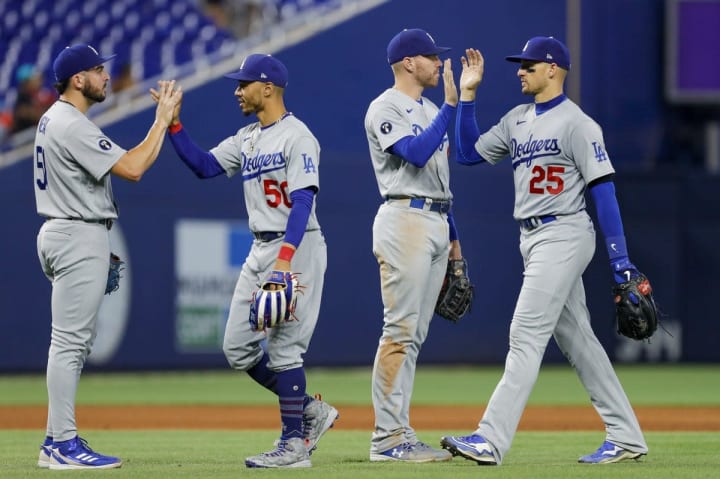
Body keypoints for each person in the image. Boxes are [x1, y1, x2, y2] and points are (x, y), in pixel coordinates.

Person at [439, 37, 649, 465]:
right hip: (532, 239)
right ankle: (626, 436)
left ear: (553, 69)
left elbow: (604, 192)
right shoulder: (517, 119)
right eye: (521, 65)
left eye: (529, 65)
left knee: (525, 333)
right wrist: (469, 95)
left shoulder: (578, 124)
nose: (520, 70)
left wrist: (621, 262)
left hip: (564, 232)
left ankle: (490, 438)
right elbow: (467, 153)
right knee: (579, 341)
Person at [154, 53, 338, 469]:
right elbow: (204, 166)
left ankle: (294, 445)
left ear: (267, 88)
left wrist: (285, 260)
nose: (237, 91)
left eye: (244, 84)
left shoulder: (298, 136)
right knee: (236, 347)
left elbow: (303, 201)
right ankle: (310, 410)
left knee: (285, 348)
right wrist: (174, 125)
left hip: (296, 246)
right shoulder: (248, 138)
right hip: (260, 248)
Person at [34, 44, 182, 469]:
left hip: (68, 229)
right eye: (98, 70)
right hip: (76, 232)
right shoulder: (71, 123)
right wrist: (161, 120)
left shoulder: (52, 119)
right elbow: (134, 167)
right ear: (77, 79)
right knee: (69, 344)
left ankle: (54, 440)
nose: (105, 76)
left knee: (73, 343)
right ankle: (63, 445)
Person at [364, 28, 465, 463]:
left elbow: (441, 180)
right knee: (399, 331)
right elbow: (415, 153)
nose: (439, 62)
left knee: (414, 337)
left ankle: (399, 432)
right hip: (404, 217)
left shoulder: (428, 108)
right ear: (409, 62)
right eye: (431, 56)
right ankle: (387, 439)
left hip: (437, 219)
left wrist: (455, 242)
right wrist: (452, 107)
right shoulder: (385, 106)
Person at [11, 63, 56, 134]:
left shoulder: (41, 95)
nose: (39, 81)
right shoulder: (22, 96)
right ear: (26, 82)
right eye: (35, 79)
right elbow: (28, 114)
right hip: (22, 135)